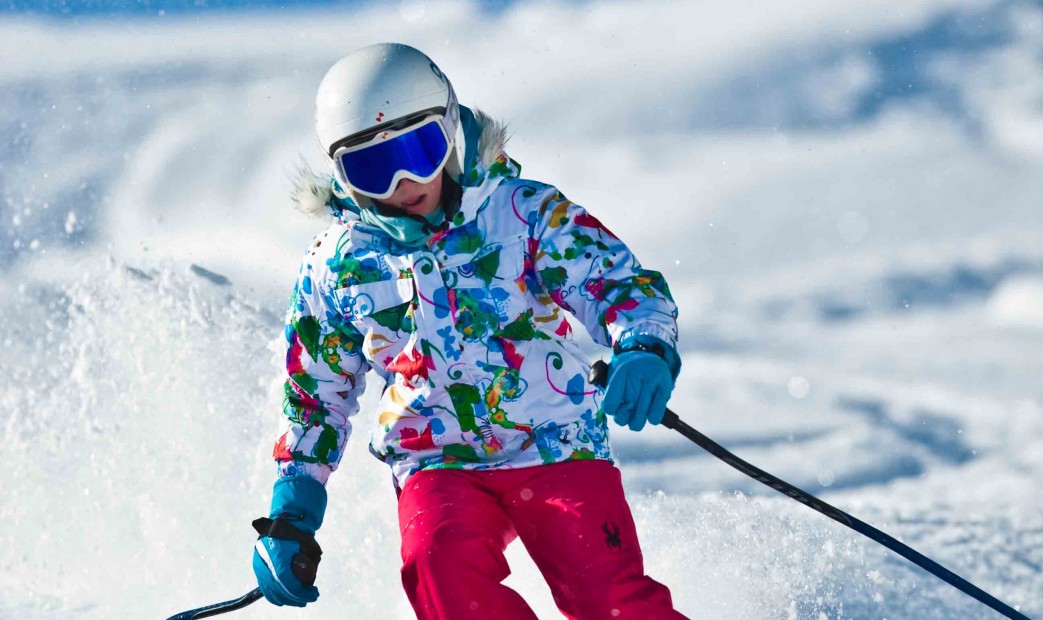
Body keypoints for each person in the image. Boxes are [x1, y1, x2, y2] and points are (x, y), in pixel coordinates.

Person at [251, 42, 688, 620]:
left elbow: (616, 282)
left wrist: (643, 345)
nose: (405, 183)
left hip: (554, 443)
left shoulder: (522, 214)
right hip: (436, 461)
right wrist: (294, 510)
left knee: (606, 595)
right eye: (374, 168)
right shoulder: (339, 263)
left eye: (419, 150)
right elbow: (314, 392)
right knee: (441, 569)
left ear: (452, 131)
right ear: (341, 175)